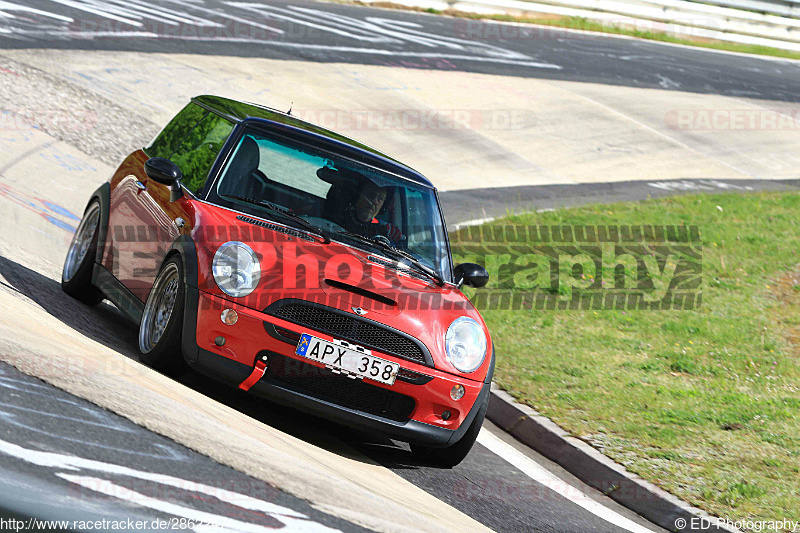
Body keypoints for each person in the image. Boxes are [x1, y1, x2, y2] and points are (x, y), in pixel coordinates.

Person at [337, 179, 403, 242]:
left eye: (380, 198)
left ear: (383, 206)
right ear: (357, 196)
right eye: (370, 195)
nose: (375, 201)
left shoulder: (384, 231)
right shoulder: (337, 217)